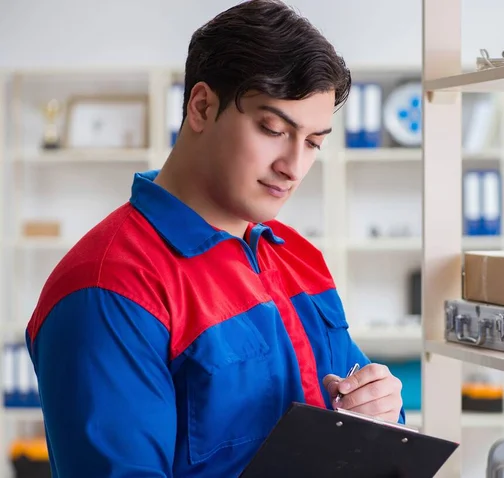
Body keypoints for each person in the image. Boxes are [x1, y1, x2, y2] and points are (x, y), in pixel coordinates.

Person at [26, 1, 405, 476]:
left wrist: (381, 409)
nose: (294, 166)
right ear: (202, 106)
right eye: (273, 129)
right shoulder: (109, 288)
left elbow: (352, 422)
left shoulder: (297, 257)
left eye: (312, 143)